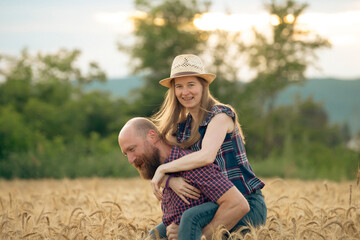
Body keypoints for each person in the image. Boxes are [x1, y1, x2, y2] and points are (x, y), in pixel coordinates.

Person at [150, 54, 267, 238]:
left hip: (245, 203)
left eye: (191, 84)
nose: (185, 92)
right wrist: (169, 179)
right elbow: (153, 156)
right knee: (156, 234)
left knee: (188, 224)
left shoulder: (221, 115)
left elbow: (207, 155)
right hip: (210, 205)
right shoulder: (183, 128)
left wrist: (163, 169)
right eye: (179, 86)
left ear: (203, 86)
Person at [118, 117, 250, 239]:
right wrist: (169, 181)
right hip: (174, 227)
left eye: (132, 149)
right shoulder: (160, 168)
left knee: (189, 217)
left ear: (152, 136)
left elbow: (238, 204)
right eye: (126, 154)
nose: (130, 160)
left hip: (212, 225)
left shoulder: (192, 164)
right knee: (152, 236)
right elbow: (150, 175)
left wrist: (194, 233)